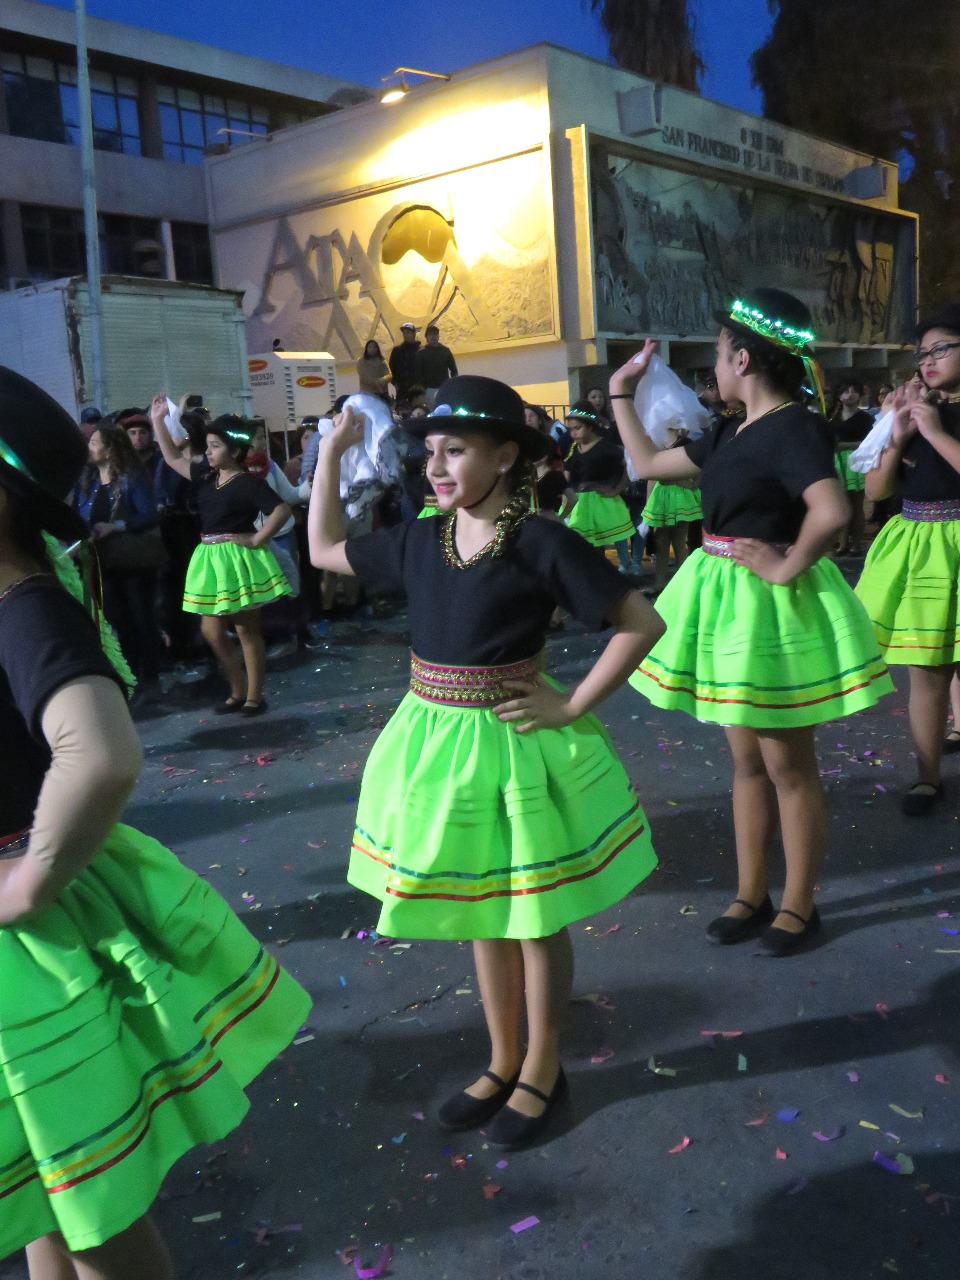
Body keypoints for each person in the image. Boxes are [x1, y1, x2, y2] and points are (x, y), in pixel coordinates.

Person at [0, 366, 310, 1280]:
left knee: (94, 1211)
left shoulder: (24, 610)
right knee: (55, 1193)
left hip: (33, 945)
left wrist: (28, 880)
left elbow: (100, 753)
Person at [307, 374, 663, 1149]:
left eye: (455, 451)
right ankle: (503, 1058)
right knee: (482, 910)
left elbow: (640, 621)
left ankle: (542, 1064)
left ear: (505, 456)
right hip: (437, 745)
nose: (435, 467)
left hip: (511, 744)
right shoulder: (421, 539)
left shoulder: (540, 541)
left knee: (532, 916)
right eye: (429, 452)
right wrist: (330, 455)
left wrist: (571, 704)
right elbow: (323, 549)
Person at [610, 288, 893, 955]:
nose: (714, 368)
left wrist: (785, 565)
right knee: (746, 761)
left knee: (786, 763)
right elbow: (648, 465)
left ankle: (799, 904)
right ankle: (751, 892)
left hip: (770, 606)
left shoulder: (793, 426)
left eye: (718, 354)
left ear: (742, 359)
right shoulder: (730, 430)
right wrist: (621, 391)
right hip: (727, 600)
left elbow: (831, 511)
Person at [855, 304, 960, 815]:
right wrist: (895, 436)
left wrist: (936, 431)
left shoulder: (934, 419)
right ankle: (927, 776)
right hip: (919, 544)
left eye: (941, 349)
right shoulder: (914, 413)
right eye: (922, 354)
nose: (928, 361)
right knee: (927, 667)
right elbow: (874, 490)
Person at [149, 396, 292, 716]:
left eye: (215, 447)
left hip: (238, 559)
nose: (209, 452)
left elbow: (281, 510)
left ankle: (254, 696)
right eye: (208, 446)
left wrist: (257, 538)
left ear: (235, 452)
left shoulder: (248, 484)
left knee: (246, 630)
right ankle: (237, 689)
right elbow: (172, 458)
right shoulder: (205, 477)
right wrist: (157, 420)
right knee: (211, 631)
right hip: (210, 558)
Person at [72, 423, 165, 703]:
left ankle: (151, 678)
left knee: (141, 618)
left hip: (132, 561)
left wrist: (117, 526)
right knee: (118, 621)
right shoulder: (87, 479)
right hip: (101, 562)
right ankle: (131, 676)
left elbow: (149, 515)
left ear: (111, 449)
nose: (89, 447)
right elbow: (77, 515)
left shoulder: (131, 477)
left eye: (94, 443)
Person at [563, 401, 634, 571]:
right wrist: (565, 498)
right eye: (571, 429)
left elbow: (628, 468)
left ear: (590, 426)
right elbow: (566, 475)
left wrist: (616, 489)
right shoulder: (574, 449)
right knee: (580, 544)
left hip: (599, 502)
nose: (573, 433)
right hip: (579, 502)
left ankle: (600, 575)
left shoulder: (606, 447)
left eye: (577, 428)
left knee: (597, 545)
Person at [832, 379, 873, 555]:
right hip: (836, 463)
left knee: (856, 506)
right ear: (839, 395)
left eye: (853, 391)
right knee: (841, 506)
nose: (850, 394)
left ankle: (856, 544)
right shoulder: (832, 418)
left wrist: (845, 446)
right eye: (845, 391)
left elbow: (870, 443)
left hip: (856, 463)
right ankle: (842, 544)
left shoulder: (866, 419)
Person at [415, 324, 458, 405]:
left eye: (435, 334)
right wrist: (422, 389)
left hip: (444, 387)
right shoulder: (421, 353)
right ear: (426, 337)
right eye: (430, 334)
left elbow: (453, 370)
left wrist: (453, 385)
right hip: (428, 389)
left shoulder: (445, 351)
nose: (433, 336)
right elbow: (418, 373)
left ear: (438, 336)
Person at [388, 323, 421, 400]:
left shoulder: (420, 350)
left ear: (414, 333)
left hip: (417, 389)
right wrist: (395, 382)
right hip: (401, 389)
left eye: (408, 332)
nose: (406, 335)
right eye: (404, 332)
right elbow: (392, 367)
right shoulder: (397, 350)